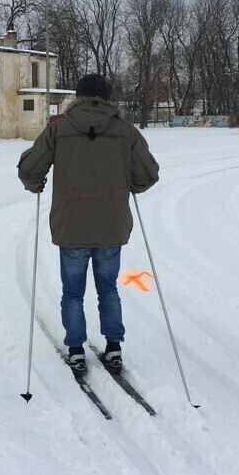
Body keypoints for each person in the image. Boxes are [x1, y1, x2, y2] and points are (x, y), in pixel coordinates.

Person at [17, 74, 160, 376]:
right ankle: (113, 346)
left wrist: (35, 183)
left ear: (78, 97)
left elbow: (30, 168)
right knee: (108, 289)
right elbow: (147, 175)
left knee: (72, 292)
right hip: (111, 227)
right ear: (108, 98)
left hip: (72, 227)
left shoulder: (59, 130)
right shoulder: (126, 132)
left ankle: (76, 350)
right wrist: (131, 183)